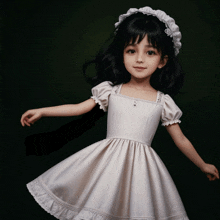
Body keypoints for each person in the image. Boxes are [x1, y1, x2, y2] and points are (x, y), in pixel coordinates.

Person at [20, 6, 219, 220]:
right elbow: (79, 108)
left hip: (143, 170)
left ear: (163, 60)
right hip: (107, 164)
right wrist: (42, 111)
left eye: (150, 52)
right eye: (132, 51)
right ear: (122, 54)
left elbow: (180, 139)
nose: (140, 59)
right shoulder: (111, 91)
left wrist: (202, 164)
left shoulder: (164, 102)